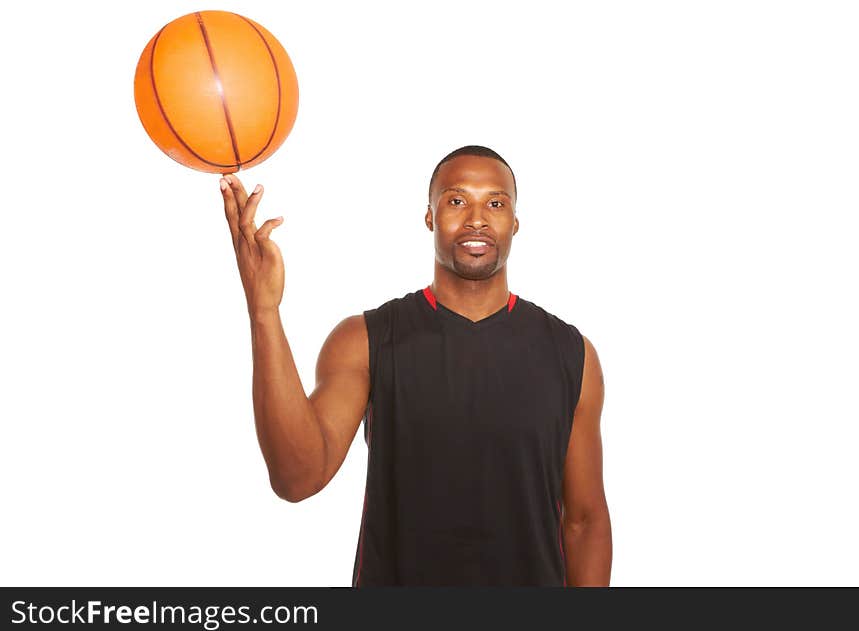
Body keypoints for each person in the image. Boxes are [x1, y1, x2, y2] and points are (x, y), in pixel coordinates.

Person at [219, 145, 612, 586]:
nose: (477, 218)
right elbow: (296, 478)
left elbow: (584, 521)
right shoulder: (365, 341)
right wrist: (264, 311)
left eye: (496, 203)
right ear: (429, 216)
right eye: (457, 200)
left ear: (515, 222)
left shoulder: (570, 353)